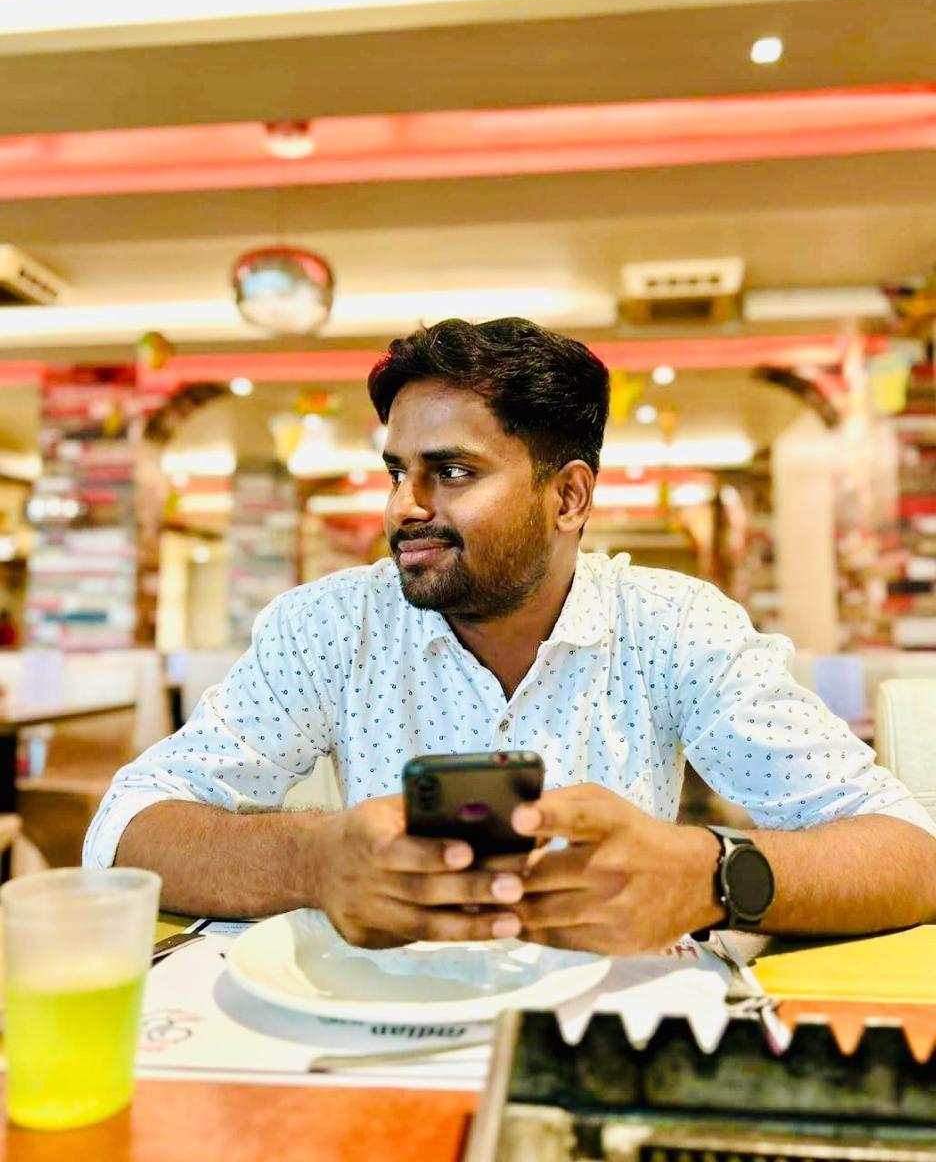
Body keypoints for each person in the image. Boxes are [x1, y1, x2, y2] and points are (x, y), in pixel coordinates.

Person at [86, 318, 936, 953]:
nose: (403, 507)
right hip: (376, 1023)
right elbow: (123, 829)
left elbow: (909, 852)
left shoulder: (673, 626)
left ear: (568, 498)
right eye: (397, 472)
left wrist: (708, 874)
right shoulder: (330, 626)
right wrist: (313, 861)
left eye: (451, 472)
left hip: (605, 1025)